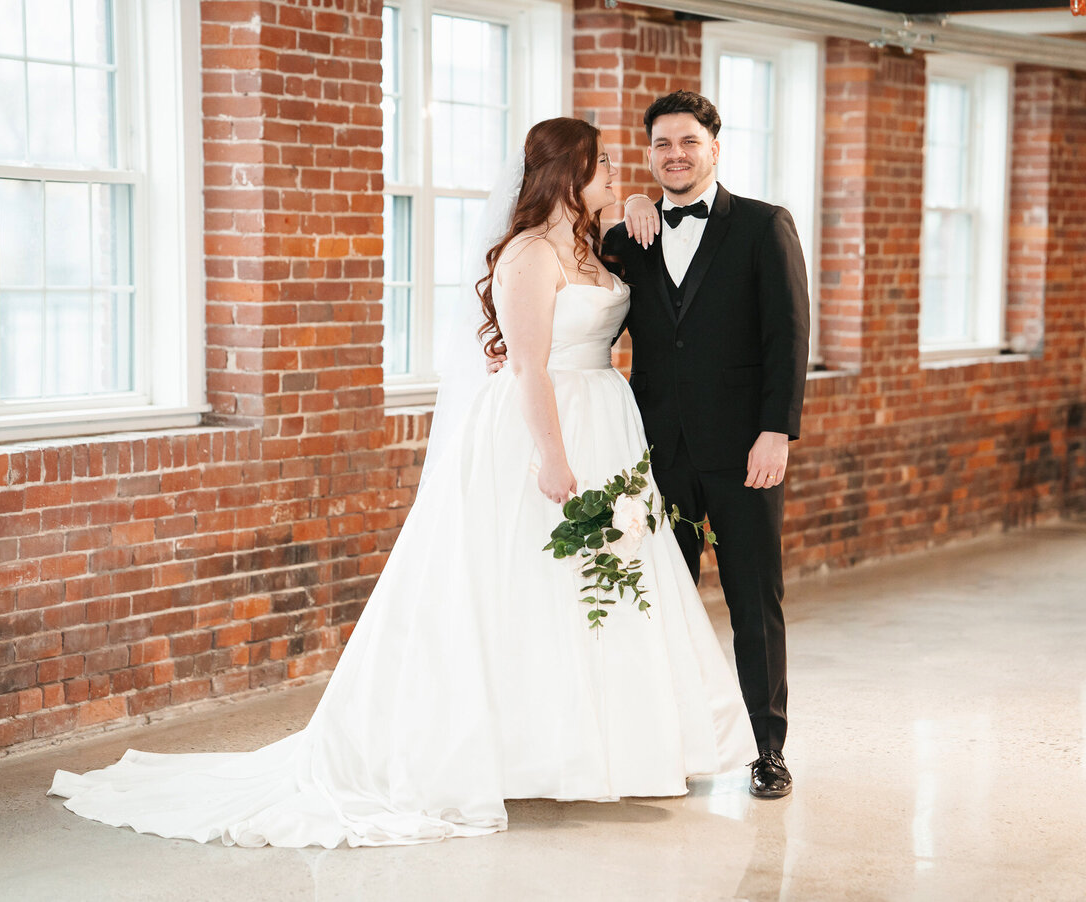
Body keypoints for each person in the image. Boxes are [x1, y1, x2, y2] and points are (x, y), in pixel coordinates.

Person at [47, 117, 757, 849]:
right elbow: (526, 367)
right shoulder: (528, 255)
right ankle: (508, 750)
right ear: (567, 174)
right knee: (512, 585)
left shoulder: (590, 243)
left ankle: (595, 746)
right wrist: (552, 456)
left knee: (588, 587)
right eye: (603, 163)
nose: (619, 171)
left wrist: (630, 204)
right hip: (545, 429)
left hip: (607, 420)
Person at [609, 91, 811, 798]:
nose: (675, 154)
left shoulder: (763, 225)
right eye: (661, 144)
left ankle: (768, 749)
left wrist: (776, 430)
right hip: (656, 451)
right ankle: (673, 743)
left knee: (755, 601)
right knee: (664, 599)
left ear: (715, 147)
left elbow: (788, 336)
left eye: (688, 142)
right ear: (649, 153)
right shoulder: (625, 236)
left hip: (745, 452)